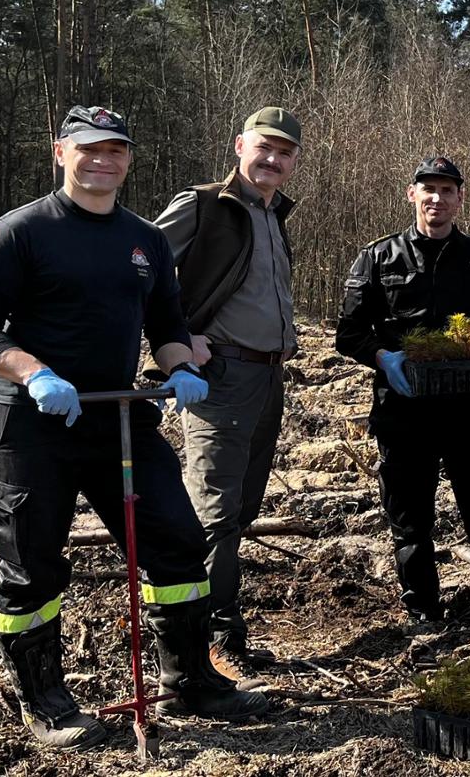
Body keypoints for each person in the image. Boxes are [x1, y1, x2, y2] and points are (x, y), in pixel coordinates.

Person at [0, 106, 269, 749]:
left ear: (128, 159)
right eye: (89, 149)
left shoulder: (144, 240)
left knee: (176, 540)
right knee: (32, 559)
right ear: (60, 154)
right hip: (34, 418)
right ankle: (43, 702)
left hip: (119, 415)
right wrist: (34, 372)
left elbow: (168, 325)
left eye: (116, 150)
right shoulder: (20, 232)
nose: (103, 161)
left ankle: (189, 678)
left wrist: (180, 367)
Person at [335, 156, 470, 625]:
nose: (437, 198)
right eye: (429, 189)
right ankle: (423, 610)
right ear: (412, 194)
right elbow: (349, 331)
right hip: (402, 408)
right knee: (410, 513)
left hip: (466, 408)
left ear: (460, 199)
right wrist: (383, 356)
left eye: (447, 190)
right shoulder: (379, 257)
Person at [154, 106, 304, 679]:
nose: (272, 159)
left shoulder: (272, 214)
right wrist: (178, 338)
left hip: (268, 378)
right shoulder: (203, 205)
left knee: (242, 506)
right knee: (214, 510)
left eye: (284, 152)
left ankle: (223, 625)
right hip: (221, 379)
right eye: (264, 147)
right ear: (239, 144)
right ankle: (206, 640)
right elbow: (140, 268)